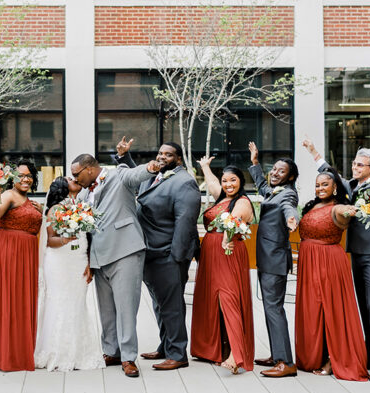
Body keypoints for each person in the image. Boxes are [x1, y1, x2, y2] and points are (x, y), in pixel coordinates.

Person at [303, 134, 370, 382]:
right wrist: (313, 151)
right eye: (354, 164)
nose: (354, 168)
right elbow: (330, 174)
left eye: (360, 165)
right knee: (362, 305)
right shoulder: (352, 186)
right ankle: (365, 355)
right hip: (355, 251)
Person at [112, 137, 201, 371]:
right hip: (149, 251)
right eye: (160, 153)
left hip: (168, 254)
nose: (162, 157)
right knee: (159, 304)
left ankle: (178, 353)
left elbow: (185, 222)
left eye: (168, 154)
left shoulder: (184, 183)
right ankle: (165, 346)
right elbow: (136, 174)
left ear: (178, 159)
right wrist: (123, 157)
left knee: (171, 306)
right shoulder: (154, 175)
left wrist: (177, 257)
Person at [71, 152, 162, 378]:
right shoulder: (83, 194)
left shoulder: (117, 175)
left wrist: (150, 168)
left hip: (125, 251)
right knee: (106, 309)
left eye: (76, 174)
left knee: (126, 308)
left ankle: (128, 357)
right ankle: (111, 351)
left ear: (90, 169)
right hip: (99, 257)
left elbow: (135, 175)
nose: (74, 179)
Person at [294, 169, 368, 381]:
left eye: (325, 184)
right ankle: (316, 355)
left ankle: (332, 359)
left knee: (330, 309)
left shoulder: (337, 208)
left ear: (335, 187)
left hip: (328, 262)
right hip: (309, 262)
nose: (320, 188)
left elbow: (346, 210)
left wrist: (352, 210)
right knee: (314, 309)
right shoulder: (313, 205)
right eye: (318, 185)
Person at [190, 158, 256, 374]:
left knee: (228, 299)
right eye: (225, 180)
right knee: (212, 299)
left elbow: (233, 222)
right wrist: (205, 167)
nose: (228, 184)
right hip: (210, 253)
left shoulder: (242, 202)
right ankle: (214, 349)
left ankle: (236, 355)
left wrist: (227, 238)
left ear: (241, 181)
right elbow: (211, 184)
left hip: (227, 252)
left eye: (233, 180)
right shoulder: (222, 197)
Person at [34, 176, 103, 371]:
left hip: (79, 259)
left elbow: (89, 236)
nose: (75, 179)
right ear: (63, 187)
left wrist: (89, 262)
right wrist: (67, 239)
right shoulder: (55, 209)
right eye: (70, 179)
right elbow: (50, 240)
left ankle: (78, 351)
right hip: (59, 262)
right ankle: (57, 352)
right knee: (59, 301)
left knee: (77, 302)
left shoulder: (82, 204)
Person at [0, 160, 43, 372]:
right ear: (13, 178)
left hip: (26, 254)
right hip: (8, 252)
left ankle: (19, 351)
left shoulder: (30, 200)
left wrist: (42, 212)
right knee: (8, 300)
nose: (25, 179)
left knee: (21, 301)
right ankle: (6, 354)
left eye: (29, 175)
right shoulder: (8, 195)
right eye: (21, 175)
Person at [248, 142, 300, 379]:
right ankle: (275, 354)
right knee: (270, 308)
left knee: (274, 308)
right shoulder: (273, 190)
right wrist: (256, 164)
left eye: (282, 171)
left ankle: (285, 361)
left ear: (291, 177)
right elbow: (262, 186)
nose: (276, 173)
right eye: (275, 169)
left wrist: (292, 219)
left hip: (275, 260)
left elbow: (289, 207)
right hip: (267, 258)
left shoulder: (287, 194)